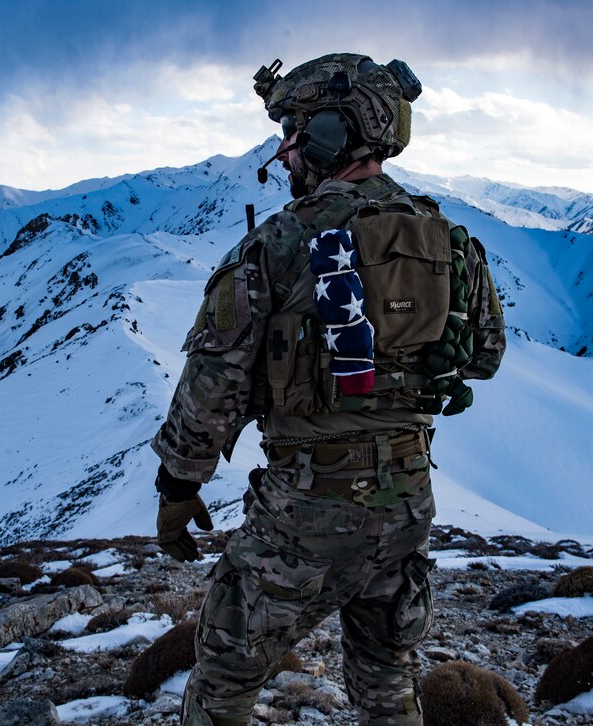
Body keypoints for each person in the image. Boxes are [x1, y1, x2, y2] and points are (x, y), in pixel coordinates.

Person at [151, 53, 506, 726]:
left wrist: (177, 487)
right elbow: (483, 358)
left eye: (294, 129)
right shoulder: (452, 242)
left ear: (330, 136)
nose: (284, 150)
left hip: (305, 514)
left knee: (225, 677)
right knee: (386, 680)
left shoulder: (278, 241)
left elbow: (213, 385)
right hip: (407, 507)